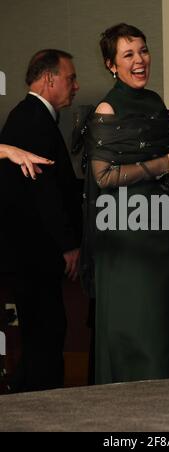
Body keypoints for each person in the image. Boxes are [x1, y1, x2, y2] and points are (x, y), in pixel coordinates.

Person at [81, 23, 169, 385]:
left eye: (143, 51)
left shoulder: (153, 102)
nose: (139, 61)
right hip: (126, 236)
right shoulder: (107, 107)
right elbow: (103, 177)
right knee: (139, 323)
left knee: (165, 326)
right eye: (128, 54)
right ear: (111, 64)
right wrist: (166, 162)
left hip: (162, 232)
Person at [0, 49, 82, 392]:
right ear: (50, 79)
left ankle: (24, 397)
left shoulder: (31, 115)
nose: (75, 86)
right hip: (34, 253)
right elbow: (44, 194)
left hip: (29, 252)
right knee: (46, 332)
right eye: (70, 77)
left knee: (41, 334)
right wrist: (68, 245)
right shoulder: (33, 119)